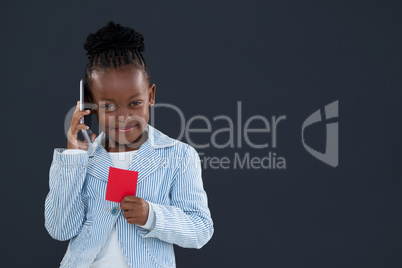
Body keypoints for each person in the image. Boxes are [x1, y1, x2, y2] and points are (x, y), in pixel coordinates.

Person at [44, 21, 214, 268]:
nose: (124, 117)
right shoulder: (82, 158)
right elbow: (60, 229)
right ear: (90, 104)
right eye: (109, 107)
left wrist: (153, 216)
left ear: (151, 96)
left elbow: (201, 229)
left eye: (135, 103)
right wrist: (73, 160)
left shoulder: (179, 156)